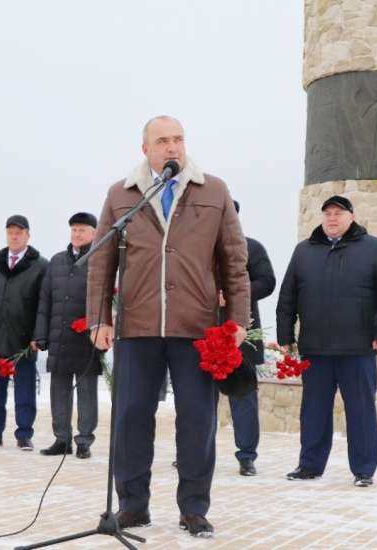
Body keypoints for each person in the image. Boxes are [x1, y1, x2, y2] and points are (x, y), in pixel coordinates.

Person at [86, 115, 250, 538]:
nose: (172, 147)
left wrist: (236, 321)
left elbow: (234, 262)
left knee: (197, 419)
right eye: (162, 141)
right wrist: (101, 318)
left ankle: (194, 508)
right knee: (131, 417)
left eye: (178, 139)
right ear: (146, 149)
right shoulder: (122, 195)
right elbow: (101, 264)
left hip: (196, 328)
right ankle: (133, 506)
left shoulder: (213, 190)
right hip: (136, 327)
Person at [276, 195, 377, 488]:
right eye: (327, 213)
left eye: (339, 213)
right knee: (314, 411)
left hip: (358, 348)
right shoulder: (304, 251)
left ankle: (364, 469)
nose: (332, 219)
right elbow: (287, 297)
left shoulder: (373, 248)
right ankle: (310, 465)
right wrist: (285, 336)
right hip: (315, 348)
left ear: (351, 217)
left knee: (360, 411)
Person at [0, 215, 48, 450]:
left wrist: (38, 336)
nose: (14, 236)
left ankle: (24, 434)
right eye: (10, 232)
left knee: (24, 393)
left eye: (19, 232)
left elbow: (44, 305)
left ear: (28, 235)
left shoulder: (40, 265)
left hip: (23, 342)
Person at [34, 212, 102, 459]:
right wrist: (40, 335)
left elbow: (108, 300)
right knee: (59, 391)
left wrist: (101, 331)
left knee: (86, 392)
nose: (76, 234)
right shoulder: (57, 261)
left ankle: (84, 441)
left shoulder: (100, 260)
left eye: (82, 230)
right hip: (60, 337)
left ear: (94, 233)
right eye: (73, 229)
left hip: (87, 339)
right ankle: (61, 439)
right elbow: (45, 301)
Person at [221, 200, 276, 477]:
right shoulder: (195, 249)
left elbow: (267, 281)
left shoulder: (251, 247)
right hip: (199, 332)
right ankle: (190, 451)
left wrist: (234, 294)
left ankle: (246, 456)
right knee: (195, 397)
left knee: (242, 396)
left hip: (242, 332)